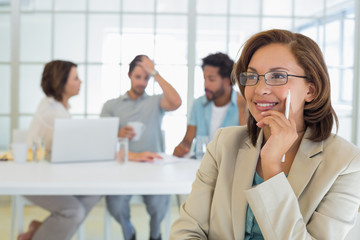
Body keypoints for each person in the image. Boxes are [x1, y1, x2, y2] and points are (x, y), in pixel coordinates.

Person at [170, 29, 360, 239]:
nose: (260, 89)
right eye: (252, 76)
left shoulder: (347, 163)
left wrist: (272, 167)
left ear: (310, 90)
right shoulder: (224, 143)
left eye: (278, 76)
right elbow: (187, 230)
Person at [101, 55, 181, 240]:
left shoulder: (156, 102)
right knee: (116, 204)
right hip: (123, 167)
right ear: (129, 75)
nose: (142, 82)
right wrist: (117, 133)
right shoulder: (111, 106)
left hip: (153, 167)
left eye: (146, 78)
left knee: (159, 203)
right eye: (138, 77)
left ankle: (155, 236)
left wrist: (156, 73)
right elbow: (101, 139)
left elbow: (176, 102)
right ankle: (129, 233)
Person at [19, 60, 101, 240]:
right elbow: (74, 149)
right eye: (76, 78)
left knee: (94, 191)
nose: (81, 82)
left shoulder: (56, 106)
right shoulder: (52, 112)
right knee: (73, 211)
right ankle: (39, 236)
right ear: (61, 82)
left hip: (49, 174)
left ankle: (43, 230)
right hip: (33, 178)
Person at [173, 52, 248, 158]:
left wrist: (242, 110)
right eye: (204, 79)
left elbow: (246, 146)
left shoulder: (243, 105)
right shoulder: (198, 104)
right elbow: (187, 141)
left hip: (228, 168)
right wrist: (181, 148)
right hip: (200, 165)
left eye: (211, 79)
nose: (205, 85)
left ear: (227, 81)